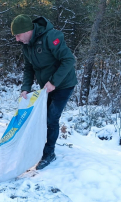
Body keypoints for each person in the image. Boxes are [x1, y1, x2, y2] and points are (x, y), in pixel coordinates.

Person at [10, 14, 77, 170]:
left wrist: (54, 82)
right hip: (46, 87)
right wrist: (25, 87)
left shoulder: (51, 37)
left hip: (64, 84)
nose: (17, 39)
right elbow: (29, 68)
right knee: (41, 117)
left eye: (18, 35)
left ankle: (49, 154)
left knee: (51, 118)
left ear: (27, 31)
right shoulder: (27, 45)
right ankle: (40, 146)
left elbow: (69, 60)